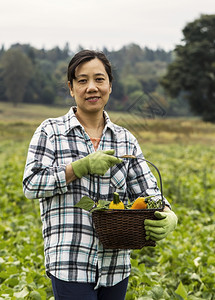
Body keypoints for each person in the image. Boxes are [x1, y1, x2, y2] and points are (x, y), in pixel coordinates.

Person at [23, 50, 177, 300]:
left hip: (115, 267)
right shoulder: (50, 131)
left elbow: (149, 192)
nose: (91, 87)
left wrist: (169, 214)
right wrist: (78, 168)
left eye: (99, 79)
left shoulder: (125, 139)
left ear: (110, 86)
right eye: (82, 81)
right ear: (71, 88)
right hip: (70, 264)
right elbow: (31, 184)